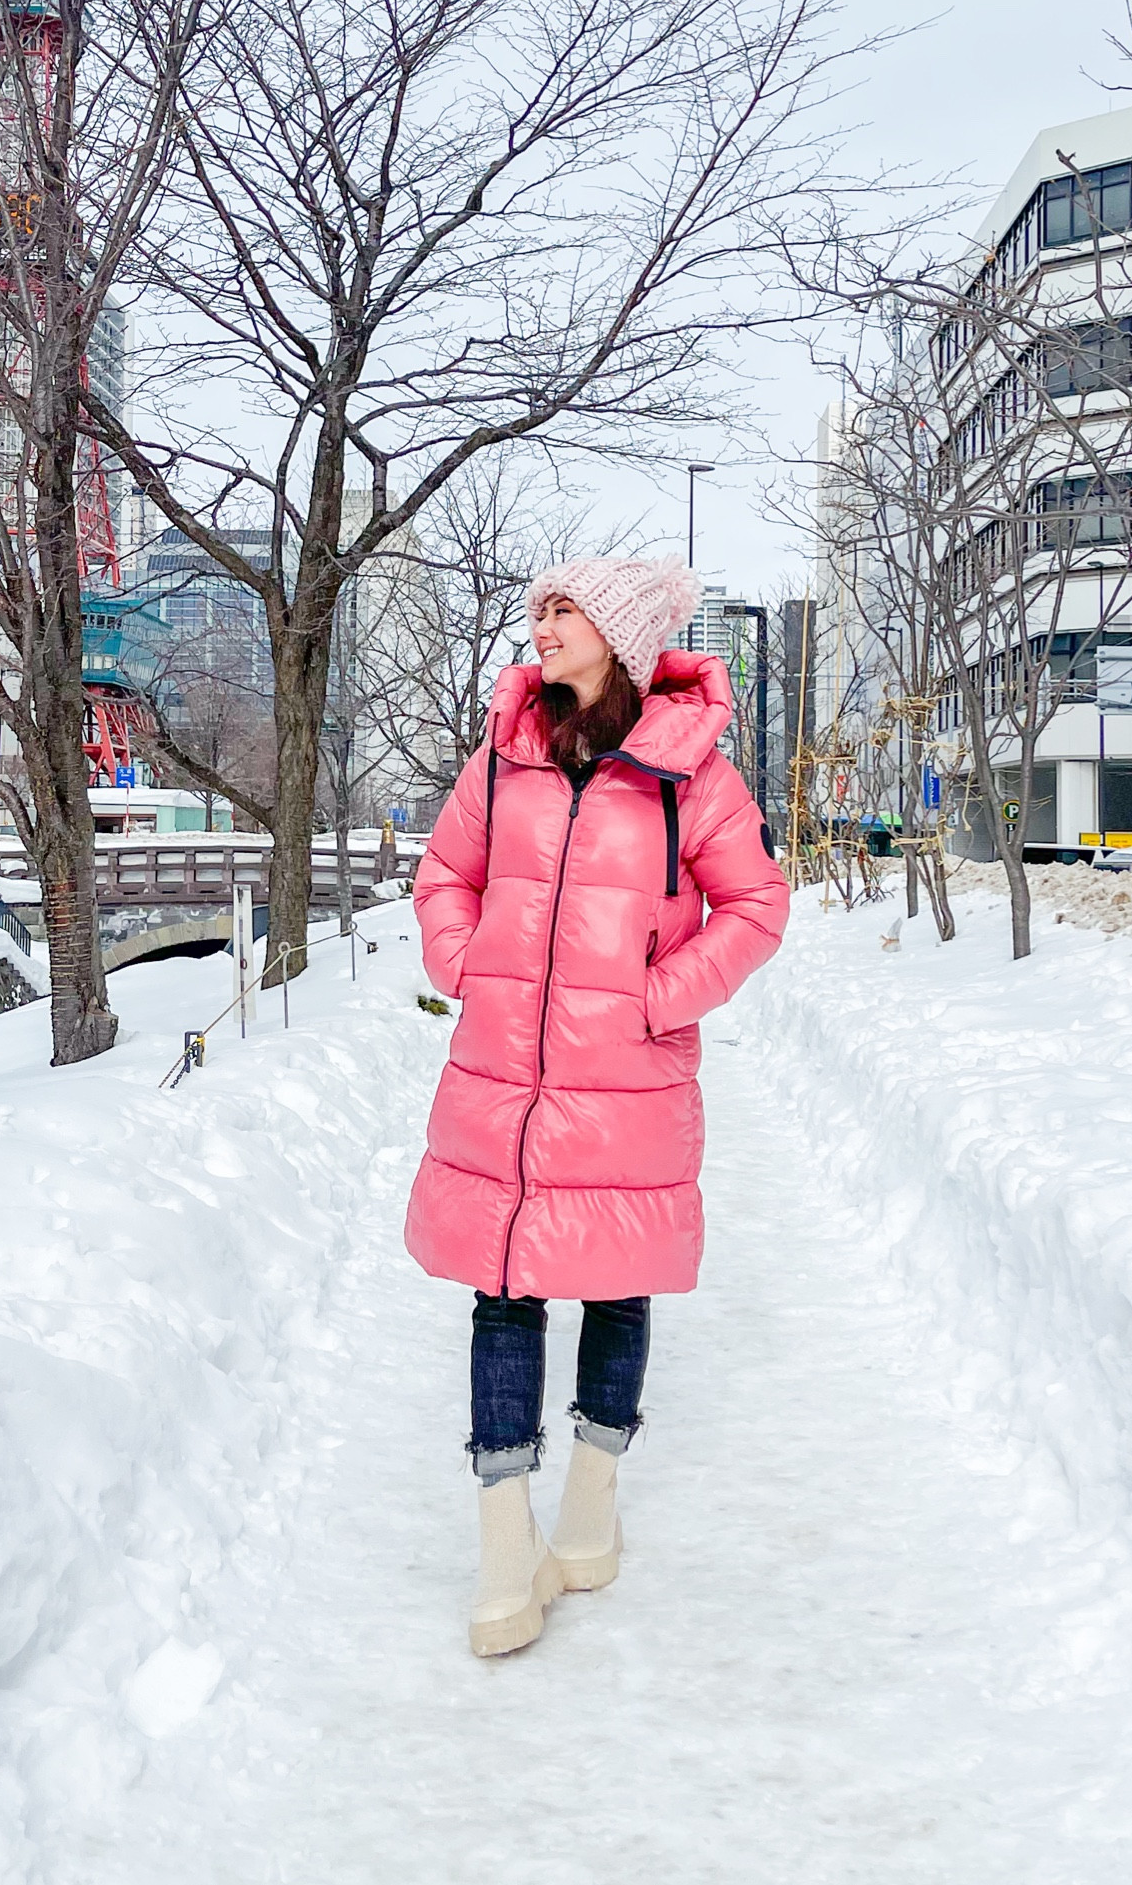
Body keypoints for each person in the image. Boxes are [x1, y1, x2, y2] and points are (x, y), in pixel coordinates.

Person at [406, 554, 790, 1656]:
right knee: (504, 1291)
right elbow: (445, 875)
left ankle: (587, 1510)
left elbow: (756, 906)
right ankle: (500, 1553)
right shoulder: (503, 760)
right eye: (538, 609)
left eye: (563, 610)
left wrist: (656, 997)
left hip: (624, 1078)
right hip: (507, 1083)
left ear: (616, 635)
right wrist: (466, 960)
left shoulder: (691, 777)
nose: (542, 626)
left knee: (616, 1287)